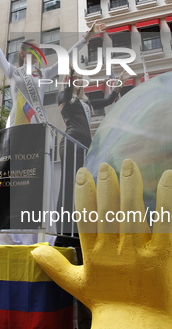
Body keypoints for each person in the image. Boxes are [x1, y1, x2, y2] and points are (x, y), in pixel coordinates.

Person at [0, 4, 106, 127]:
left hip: (38, 123)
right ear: (22, 54)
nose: (38, 52)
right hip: (17, 123)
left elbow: (67, 55)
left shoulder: (44, 73)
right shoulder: (12, 71)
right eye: (33, 49)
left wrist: (89, 35)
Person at [56, 69, 129, 238]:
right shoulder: (64, 97)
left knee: (85, 187)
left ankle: (82, 229)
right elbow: (67, 90)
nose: (79, 80)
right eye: (76, 78)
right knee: (69, 186)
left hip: (85, 148)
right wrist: (72, 71)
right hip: (71, 144)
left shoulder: (85, 102)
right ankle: (64, 231)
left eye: (81, 78)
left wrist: (120, 83)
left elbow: (109, 100)